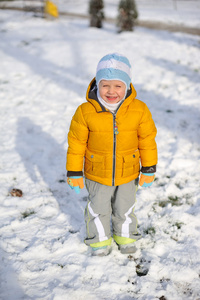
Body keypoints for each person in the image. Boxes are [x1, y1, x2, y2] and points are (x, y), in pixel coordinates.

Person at [66, 53, 157, 256]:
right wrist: (74, 172)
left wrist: (149, 169)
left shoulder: (139, 110)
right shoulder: (85, 111)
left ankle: (125, 236)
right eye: (105, 85)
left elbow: (147, 141)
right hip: (97, 172)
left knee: (125, 207)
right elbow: (76, 143)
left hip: (128, 171)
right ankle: (98, 240)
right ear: (97, 84)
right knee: (98, 208)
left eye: (118, 85)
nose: (111, 91)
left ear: (127, 85)